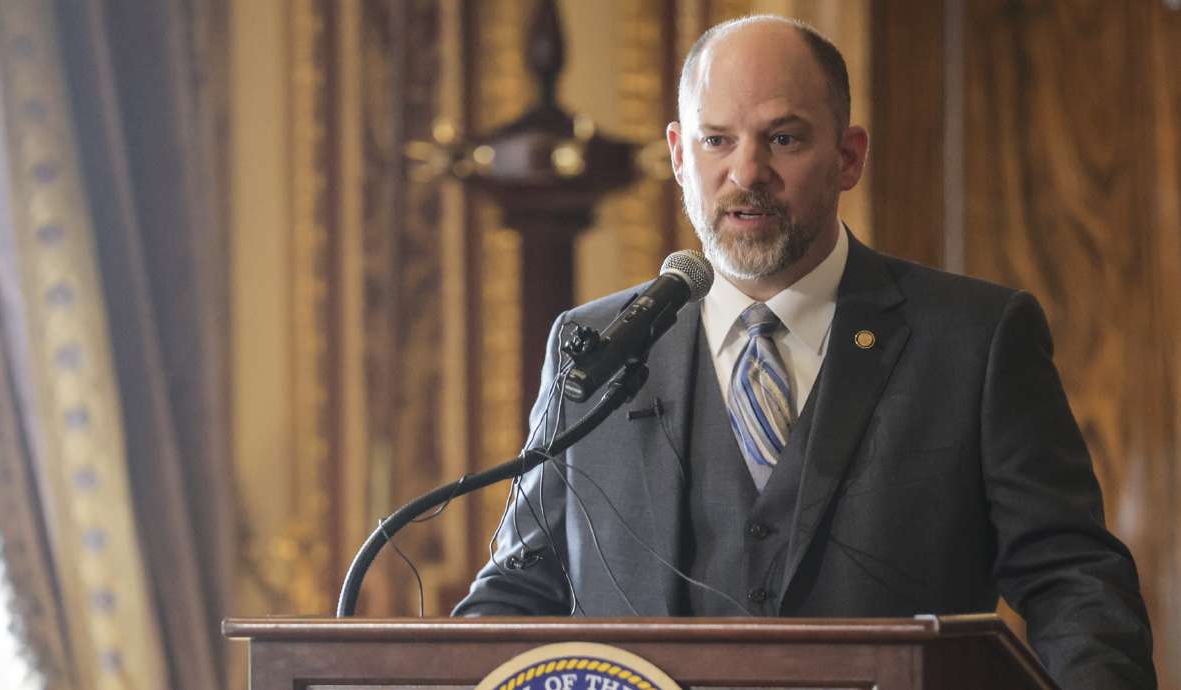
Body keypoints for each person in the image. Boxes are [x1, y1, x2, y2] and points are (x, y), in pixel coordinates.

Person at [454, 15, 1155, 690]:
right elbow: (518, 592)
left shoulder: (977, 338)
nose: (747, 171)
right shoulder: (596, 343)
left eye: (783, 138)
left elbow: (1071, 580)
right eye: (716, 140)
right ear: (678, 155)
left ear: (848, 156)